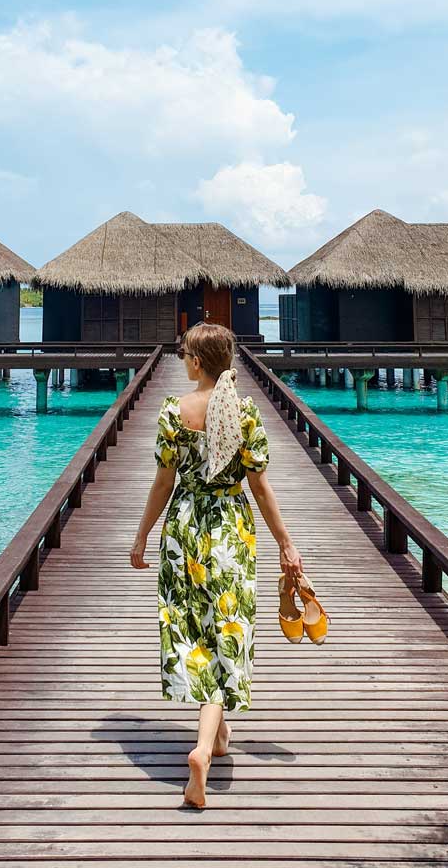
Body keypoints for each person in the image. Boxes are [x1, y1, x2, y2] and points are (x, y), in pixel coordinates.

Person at [129, 321, 303, 808]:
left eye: (185, 354)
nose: (181, 360)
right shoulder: (244, 412)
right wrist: (287, 544)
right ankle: (205, 748)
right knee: (227, 628)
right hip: (230, 531)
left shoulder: (172, 411)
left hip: (184, 530)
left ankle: (214, 738)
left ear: (198, 362)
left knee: (192, 631)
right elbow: (262, 489)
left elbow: (163, 484)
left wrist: (142, 534)